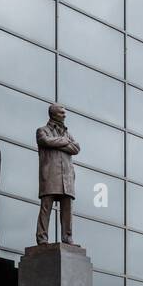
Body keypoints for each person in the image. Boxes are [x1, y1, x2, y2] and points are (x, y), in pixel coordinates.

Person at [35, 103, 81, 245]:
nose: (64, 115)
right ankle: (42, 238)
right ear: (53, 114)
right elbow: (45, 141)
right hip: (50, 175)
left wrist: (60, 143)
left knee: (67, 210)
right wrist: (64, 142)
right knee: (46, 207)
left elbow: (76, 148)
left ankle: (67, 237)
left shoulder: (68, 133)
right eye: (61, 113)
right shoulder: (42, 130)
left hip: (66, 178)